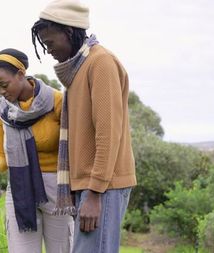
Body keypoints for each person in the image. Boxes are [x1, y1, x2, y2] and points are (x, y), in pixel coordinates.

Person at [30, 0, 137, 252]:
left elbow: (108, 132)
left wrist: (95, 192)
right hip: (90, 186)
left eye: (50, 43)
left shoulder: (101, 63)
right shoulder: (79, 69)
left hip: (103, 186)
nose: (48, 50)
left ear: (68, 32)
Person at [0, 48, 74, 253]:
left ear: (21, 74)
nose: (2, 92)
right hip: (20, 189)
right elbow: (0, 155)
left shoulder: (57, 101)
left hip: (57, 189)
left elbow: (74, 146)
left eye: (4, 85)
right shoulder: (2, 112)